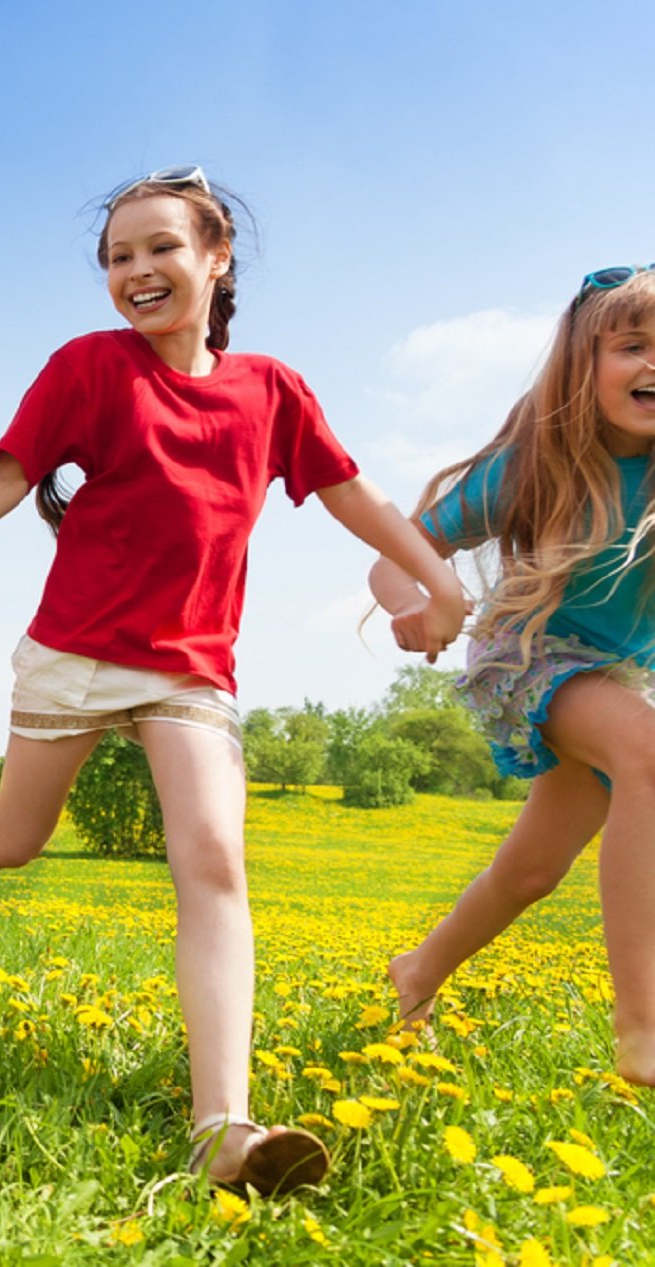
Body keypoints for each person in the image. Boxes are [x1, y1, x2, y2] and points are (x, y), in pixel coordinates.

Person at [0, 167, 466, 1194]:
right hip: (75, 650)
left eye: (159, 247)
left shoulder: (272, 391)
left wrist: (437, 582)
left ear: (216, 257)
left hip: (190, 667)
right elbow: (2, 475)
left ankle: (224, 1127)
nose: (136, 271)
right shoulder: (87, 369)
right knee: (15, 838)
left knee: (214, 860)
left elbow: (355, 496)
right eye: (117, 257)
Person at [375, 265, 655, 1087]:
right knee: (647, 752)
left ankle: (418, 971)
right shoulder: (532, 466)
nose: (654, 365)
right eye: (633, 346)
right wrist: (418, 602)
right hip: (524, 656)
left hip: (608, 675)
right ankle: (642, 1026)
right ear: (581, 364)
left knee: (533, 871)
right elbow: (401, 549)